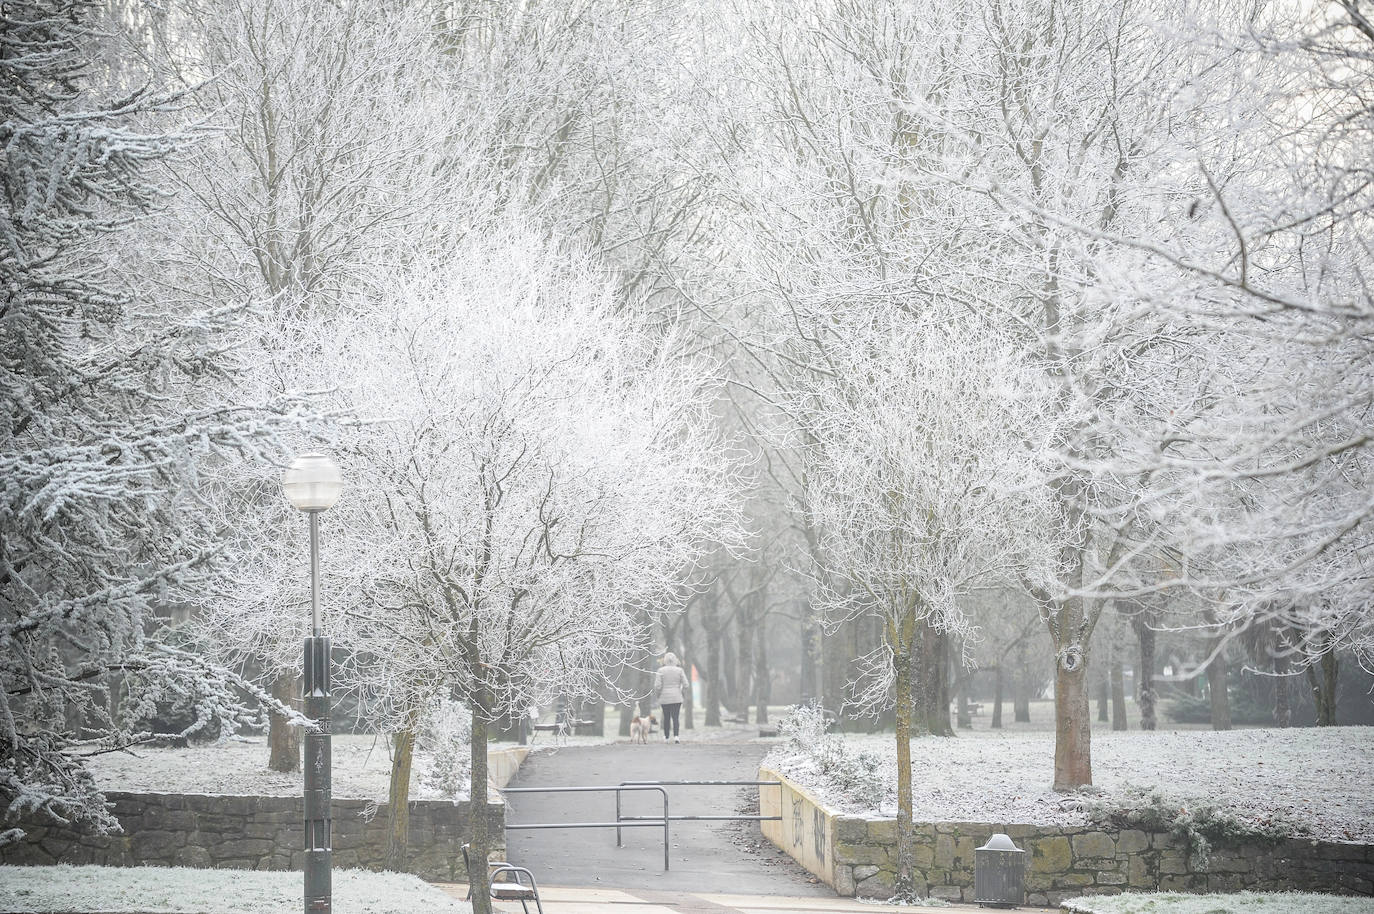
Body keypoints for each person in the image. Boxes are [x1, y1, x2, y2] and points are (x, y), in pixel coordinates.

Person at [653, 652, 688, 743]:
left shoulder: (660, 670)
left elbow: (657, 686)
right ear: (675, 660)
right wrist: (682, 694)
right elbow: (686, 685)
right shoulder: (679, 670)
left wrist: (658, 695)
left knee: (666, 717)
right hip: (677, 697)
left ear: (665, 660)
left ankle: (666, 737)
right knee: (675, 717)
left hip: (664, 698)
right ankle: (676, 736)